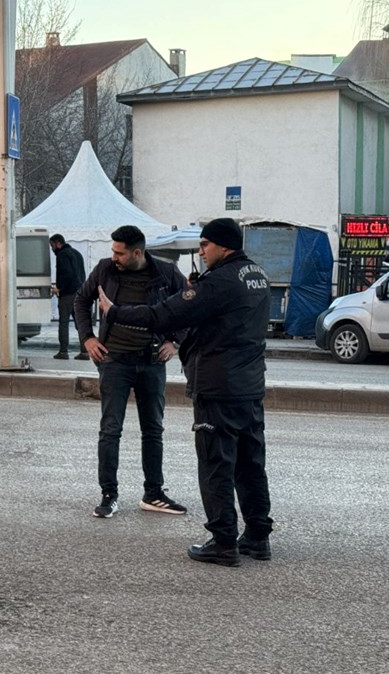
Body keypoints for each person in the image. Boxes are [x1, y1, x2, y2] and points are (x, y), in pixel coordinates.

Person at [97, 217, 273, 567]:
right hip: (249, 384)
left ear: (224, 246)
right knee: (250, 463)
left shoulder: (220, 281)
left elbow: (165, 314)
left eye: (205, 244)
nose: (200, 250)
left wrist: (114, 312)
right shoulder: (257, 275)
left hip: (218, 385)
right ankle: (257, 536)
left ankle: (223, 541)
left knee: (216, 463)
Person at [74, 224, 188, 519]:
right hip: (115, 361)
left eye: (119, 252)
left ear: (137, 252)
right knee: (111, 429)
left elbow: (190, 307)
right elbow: (81, 300)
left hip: (152, 362)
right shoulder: (104, 270)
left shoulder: (166, 273)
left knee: (153, 430)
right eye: (113, 251)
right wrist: (87, 337)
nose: (114, 256)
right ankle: (109, 494)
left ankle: (153, 493)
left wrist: (174, 341)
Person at [49, 234, 87, 360]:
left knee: (64, 323)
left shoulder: (62, 255)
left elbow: (67, 274)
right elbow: (81, 274)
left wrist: (59, 288)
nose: (52, 249)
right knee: (80, 323)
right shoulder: (77, 253)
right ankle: (85, 352)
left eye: (52, 245)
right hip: (80, 293)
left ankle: (63, 351)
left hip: (67, 295)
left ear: (58, 243)